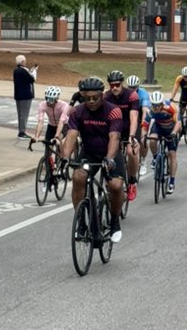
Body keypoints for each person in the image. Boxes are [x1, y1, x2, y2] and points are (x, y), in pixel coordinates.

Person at [60, 76, 125, 242]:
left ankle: (114, 220)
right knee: (78, 176)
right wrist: (65, 158)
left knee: (115, 186)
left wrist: (110, 159)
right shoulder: (78, 112)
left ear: (102, 95)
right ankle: (81, 220)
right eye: (87, 98)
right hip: (89, 152)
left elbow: (114, 138)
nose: (91, 101)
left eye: (95, 98)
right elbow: (71, 136)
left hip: (110, 152)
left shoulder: (113, 111)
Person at [104, 70, 141, 201]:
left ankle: (132, 181)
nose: (114, 88)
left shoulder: (132, 96)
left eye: (117, 85)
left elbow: (134, 118)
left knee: (131, 151)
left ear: (122, 84)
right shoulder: (106, 97)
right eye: (112, 85)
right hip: (115, 129)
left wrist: (131, 136)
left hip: (130, 127)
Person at [145, 92, 181, 193]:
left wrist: (174, 133)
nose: (155, 108)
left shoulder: (171, 107)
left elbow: (178, 122)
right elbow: (145, 126)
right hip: (159, 128)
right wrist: (143, 136)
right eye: (154, 105)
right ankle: (155, 157)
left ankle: (172, 182)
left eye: (158, 105)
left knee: (172, 154)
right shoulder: (149, 110)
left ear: (162, 104)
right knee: (152, 139)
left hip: (171, 129)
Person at [126, 74, 152, 178]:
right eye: (130, 88)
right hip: (130, 116)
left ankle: (143, 161)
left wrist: (143, 127)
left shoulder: (143, 94)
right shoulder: (125, 94)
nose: (132, 90)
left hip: (141, 116)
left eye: (134, 88)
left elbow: (145, 111)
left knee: (142, 140)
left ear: (138, 86)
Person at [13, 54, 38, 138]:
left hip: (18, 95)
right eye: (25, 61)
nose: (26, 62)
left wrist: (30, 71)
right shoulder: (23, 71)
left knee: (20, 114)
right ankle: (22, 132)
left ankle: (21, 130)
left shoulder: (16, 70)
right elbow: (32, 79)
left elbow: (26, 77)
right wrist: (34, 71)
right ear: (22, 62)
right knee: (24, 114)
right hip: (25, 96)